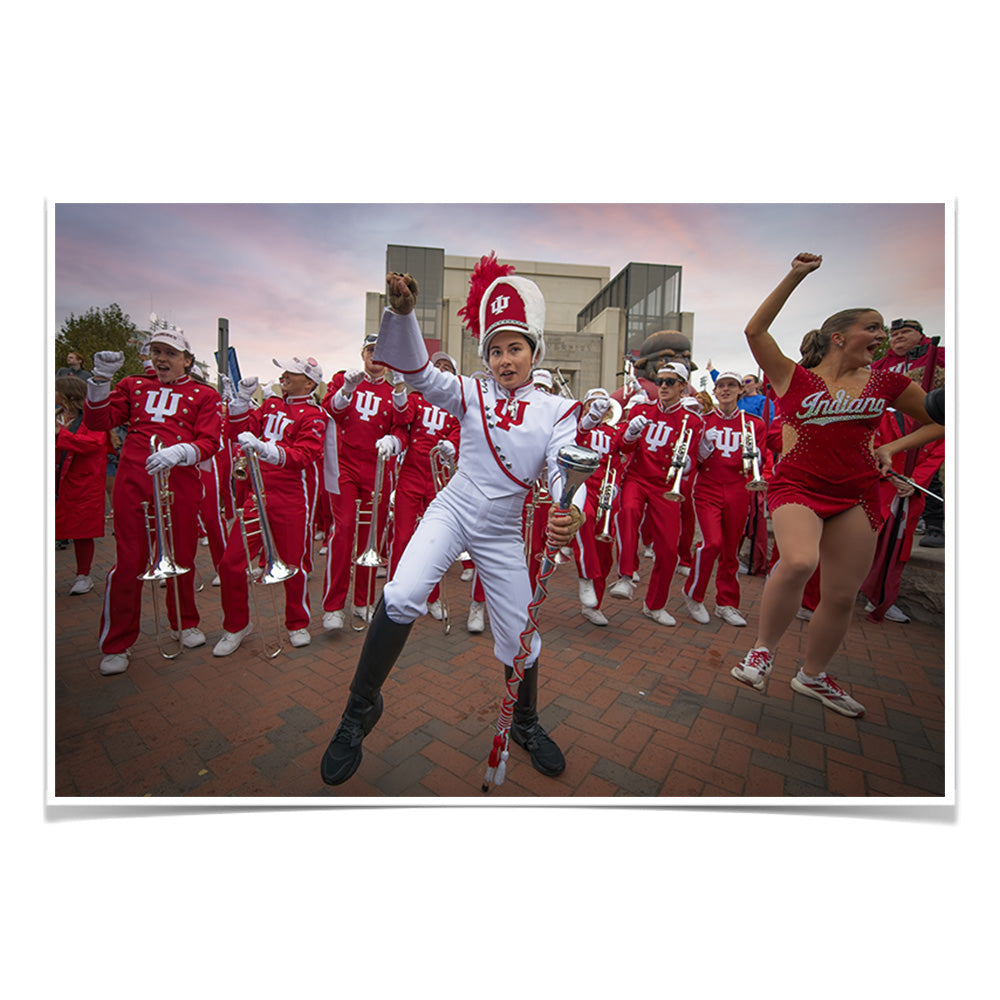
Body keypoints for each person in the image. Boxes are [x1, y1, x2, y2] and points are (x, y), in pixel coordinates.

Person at [319, 258, 585, 786]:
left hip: (504, 528)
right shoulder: (470, 391)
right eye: (495, 350)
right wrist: (403, 315)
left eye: (515, 348)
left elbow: (563, 464)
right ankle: (358, 711)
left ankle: (525, 722)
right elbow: (420, 377)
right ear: (484, 356)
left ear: (534, 351)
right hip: (454, 507)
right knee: (400, 594)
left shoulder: (558, 409)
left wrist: (569, 507)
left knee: (521, 639)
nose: (505, 360)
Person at [729, 253, 938, 717]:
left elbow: (940, 420)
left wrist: (891, 448)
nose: (881, 336)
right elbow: (755, 332)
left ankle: (813, 676)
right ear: (839, 336)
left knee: (843, 594)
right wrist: (795, 275)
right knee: (800, 560)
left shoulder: (886, 382)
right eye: (873, 327)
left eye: (884, 330)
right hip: (798, 486)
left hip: (857, 494)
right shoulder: (793, 377)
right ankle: (761, 652)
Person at [83, 327, 221, 675]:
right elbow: (97, 421)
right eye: (157, 351)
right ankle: (117, 642)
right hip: (135, 479)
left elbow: (210, 441)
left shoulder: (203, 395)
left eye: (170, 353)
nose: (161, 358)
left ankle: (184, 622)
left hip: (180, 481)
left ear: (187, 360)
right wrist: (100, 380)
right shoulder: (132, 385)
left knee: (182, 556)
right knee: (129, 561)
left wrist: (183, 450)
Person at [212, 358, 328, 655]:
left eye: (292, 372)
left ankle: (297, 622)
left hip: (291, 497)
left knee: (294, 564)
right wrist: (240, 402)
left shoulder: (315, 415)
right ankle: (237, 625)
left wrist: (265, 449)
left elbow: (305, 455)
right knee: (230, 563)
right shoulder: (272, 404)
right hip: (259, 494)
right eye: (284, 370)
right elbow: (238, 431)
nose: (283, 374)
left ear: (310, 382)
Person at [608, 362, 704, 626]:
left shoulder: (693, 421)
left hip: (665, 485)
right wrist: (629, 432)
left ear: (683, 387)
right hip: (638, 477)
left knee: (668, 549)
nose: (662, 386)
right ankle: (626, 576)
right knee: (627, 512)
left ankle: (655, 604)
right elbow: (623, 447)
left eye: (670, 382)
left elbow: (693, 459)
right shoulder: (641, 410)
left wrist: (686, 466)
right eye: (660, 380)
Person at [319, 333, 402, 629]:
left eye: (381, 354)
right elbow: (330, 412)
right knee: (343, 530)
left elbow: (401, 427)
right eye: (370, 352)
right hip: (346, 464)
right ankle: (333, 606)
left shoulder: (394, 392)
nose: (375, 359)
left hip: (377, 468)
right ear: (363, 354)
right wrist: (346, 390)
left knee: (372, 535)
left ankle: (363, 600)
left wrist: (394, 440)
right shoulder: (344, 379)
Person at [381, 350, 463, 622]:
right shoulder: (417, 399)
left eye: (446, 367)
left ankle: (433, 596)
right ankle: (394, 593)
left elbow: (461, 432)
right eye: (436, 365)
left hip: (438, 480)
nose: (441, 369)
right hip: (411, 475)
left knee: (434, 541)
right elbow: (402, 420)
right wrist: (400, 389)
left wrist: (453, 444)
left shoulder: (456, 406)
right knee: (402, 536)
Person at [682, 371, 765, 627]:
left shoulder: (754, 423)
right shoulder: (703, 421)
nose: (726, 390)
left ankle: (726, 603)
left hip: (739, 489)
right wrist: (704, 446)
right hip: (708, 487)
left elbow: (760, 461)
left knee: (730, 549)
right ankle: (694, 594)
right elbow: (691, 462)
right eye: (721, 386)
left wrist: (757, 457)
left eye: (732, 386)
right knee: (711, 542)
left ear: (740, 390)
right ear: (715, 392)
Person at [55, 376, 111, 595]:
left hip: (81, 481)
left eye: (57, 390)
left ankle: (83, 575)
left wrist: (62, 435)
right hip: (59, 477)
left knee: (81, 531)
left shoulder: (90, 418)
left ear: (69, 394)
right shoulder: (57, 415)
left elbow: (95, 443)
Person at [572, 388, 619, 626]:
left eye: (602, 405)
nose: (597, 409)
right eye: (592, 403)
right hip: (581, 483)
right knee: (584, 519)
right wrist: (588, 420)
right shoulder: (577, 426)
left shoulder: (613, 432)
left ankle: (594, 605)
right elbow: (573, 440)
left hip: (605, 488)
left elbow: (624, 454)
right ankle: (586, 576)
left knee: (603, 547)